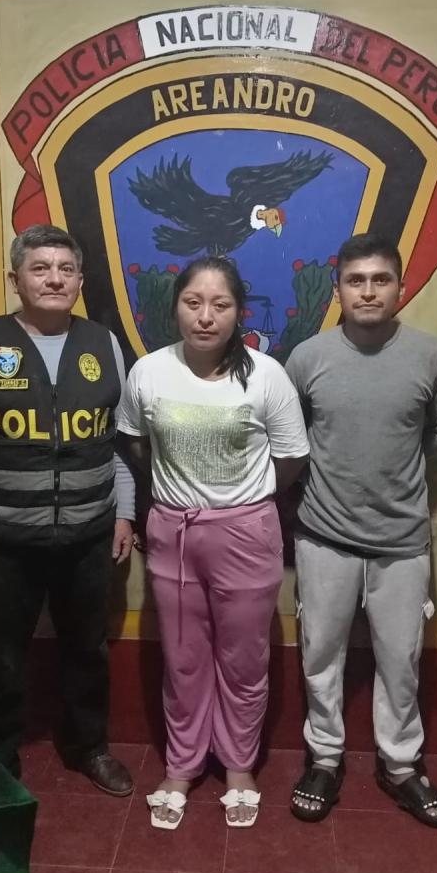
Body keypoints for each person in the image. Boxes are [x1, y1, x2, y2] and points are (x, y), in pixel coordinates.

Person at [0, 224, 136, 796]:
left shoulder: (102, 344)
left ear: (81, 280)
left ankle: (89, 747)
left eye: (66, 269)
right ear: (14, 279)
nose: (54, 279)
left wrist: (124, 512)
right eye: (40, 268)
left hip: (89, 535)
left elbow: (116, 441)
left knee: (87, 651)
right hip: (0, 539)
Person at [117, 256, 308, 829]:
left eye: (220, 305)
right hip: (172, 532)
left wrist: (242, 504)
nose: (206, 316)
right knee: (183, 658)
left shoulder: (267, 375)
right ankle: (181, 765)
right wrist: (178, 496)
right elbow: (134, 444)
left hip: (247, 534)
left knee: (243, 660)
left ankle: (239, 767)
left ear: (238, 311)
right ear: (175, 307)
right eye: (193, 302)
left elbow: (291, 458)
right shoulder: (149, 372)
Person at [285, 233, 437, 827]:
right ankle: (324, 759)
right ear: (337, 290)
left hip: (402, 540)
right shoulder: (308, 357)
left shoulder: (431, 357)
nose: (367, 291)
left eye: (380, 280)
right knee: (320, 655)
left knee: (400, 660)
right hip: (323, 535)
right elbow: (289, 436)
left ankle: (402, 766)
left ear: (400, 288)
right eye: (355, 280)